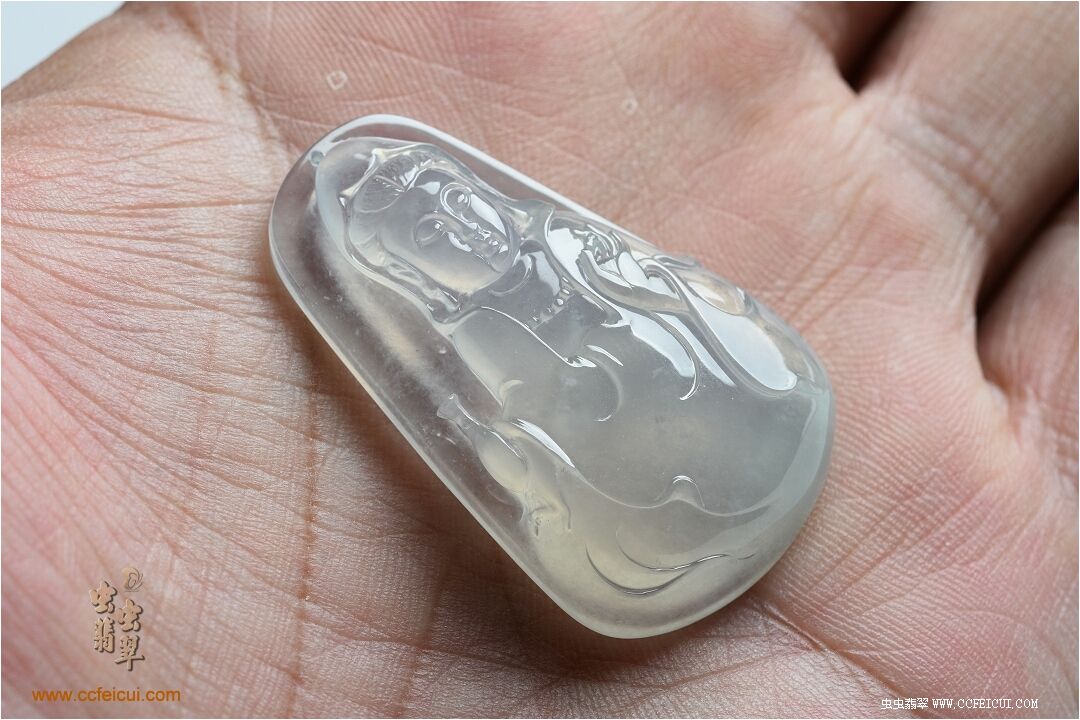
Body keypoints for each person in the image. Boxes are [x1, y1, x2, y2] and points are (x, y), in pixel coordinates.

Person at [2, 3, 1076, 717]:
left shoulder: (567, 252)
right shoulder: (466, 350)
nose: (452, 212)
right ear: (401, 272)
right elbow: (523, 447)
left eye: (442, 194)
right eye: (417, 224)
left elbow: (673, 307)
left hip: (718, 417)